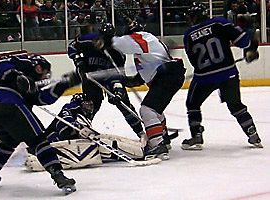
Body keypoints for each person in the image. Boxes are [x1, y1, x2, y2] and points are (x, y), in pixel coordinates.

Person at [0, 51, 81, 194]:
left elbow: (43, 99)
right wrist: (16, 76)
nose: (45, 77)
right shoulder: (23, 63)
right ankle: (59, 177)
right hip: (10, 103)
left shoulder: (30, 86)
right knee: (39, 140)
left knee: (8, 140)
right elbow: (0, 64)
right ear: (38, 67)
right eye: (45, 73)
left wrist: (65, 84)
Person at [96, 21, 186, 160]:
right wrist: (124, 80)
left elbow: (118, 43)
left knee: (147, 110)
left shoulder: (141, 37)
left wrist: (105, 39)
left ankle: (158, 145)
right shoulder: (147, 46)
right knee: (155, 111)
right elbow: (141, 78)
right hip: (170, 75)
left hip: (168, 75)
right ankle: (163, 138)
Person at [181, 2, 262, 150]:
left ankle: (196, 136)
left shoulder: (188, 35)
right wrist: (250, 50)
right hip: (227, 72)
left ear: (193, 18)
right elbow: (243, 42)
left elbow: (193, 60)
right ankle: (253, 134)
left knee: (192, 104)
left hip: (204, 77)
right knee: (235, 105)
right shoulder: (220, 23)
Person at [25, 93, 145, 171]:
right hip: (55, 144)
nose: (90, 106)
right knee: (100, 145)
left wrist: (84, 131)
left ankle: (139, 147)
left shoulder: (81, 114)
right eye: (86, 103)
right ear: (79, 104)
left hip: (64, 143)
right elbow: (64, 127)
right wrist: (78, 128)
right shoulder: (71, 108)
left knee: (102, 137)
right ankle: (139, 152)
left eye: (90, 103)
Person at [67, 23, 146, 143]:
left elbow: (116, 75)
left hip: (109, 78)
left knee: (123, 104)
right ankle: (81, 131)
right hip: (90, 78)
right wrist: (78, 60)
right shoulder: (88, 40)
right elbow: (72, 46)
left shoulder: (118, 52)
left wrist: (117, 90)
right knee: (91, 105)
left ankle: (141, 133)